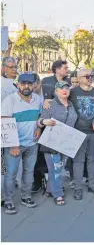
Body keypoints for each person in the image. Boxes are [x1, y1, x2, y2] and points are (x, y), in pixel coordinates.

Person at [1, 73, 41, 215]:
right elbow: (5, 124)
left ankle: (26, 196)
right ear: (17, 85)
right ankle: (8, 201)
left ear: (34, 85)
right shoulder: (9, 100)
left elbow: (40, 117)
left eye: (29, 84)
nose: (26, 86)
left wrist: (39, 128)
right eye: (23, 83)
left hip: (32, 143)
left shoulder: (38, 99)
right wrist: (13, 145)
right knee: (11, 174)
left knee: (28, 171)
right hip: (14, 145)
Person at [37, 81, 78, 206]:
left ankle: (51, 189)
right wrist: (45, 121)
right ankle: (58, 194)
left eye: (67, 88)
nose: (64, 90)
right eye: (61, 89)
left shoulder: (71, 104)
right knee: (56, 168)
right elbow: (40, 121)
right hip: (51, 142)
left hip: (66, 142)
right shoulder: (50, 104)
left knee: (58, 168)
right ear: (56, 91)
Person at [70, 69, 94, 200]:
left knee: (93, 159)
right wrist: (47, 102)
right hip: (77, 131)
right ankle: (78, 188)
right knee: (78, 160)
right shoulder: (72, 92)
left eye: (91, 76)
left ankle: (92, 184)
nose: (90, 78)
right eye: (87, 76)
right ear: (78, 78)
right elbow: (59, 101)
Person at [1, 57, 18, 207]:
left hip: (10, 129)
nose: (13, 70)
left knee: (8, 163)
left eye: (15, 67)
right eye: (10, 67)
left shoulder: (15, 86)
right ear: (3, 68)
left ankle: (7, 191)